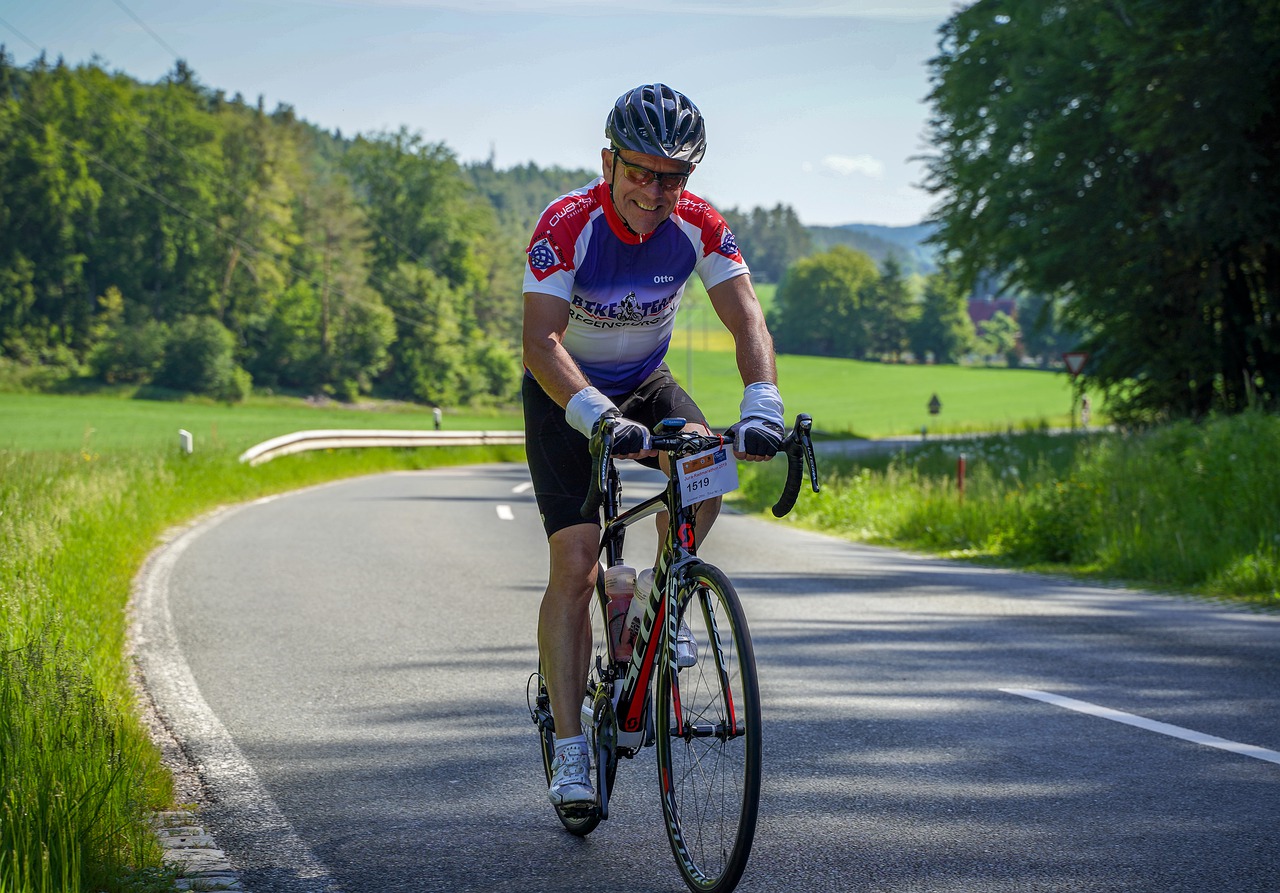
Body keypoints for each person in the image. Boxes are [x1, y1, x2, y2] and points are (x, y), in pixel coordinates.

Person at [521, 83, 786, 809]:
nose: (654, 189)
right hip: (566, 395)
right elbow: (540, 340)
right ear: (609, 161)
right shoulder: (567, 224)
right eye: (639, 171)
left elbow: (748, 320)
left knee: (707, 463)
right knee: (575, 563)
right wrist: (594, 415)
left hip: (647, 382)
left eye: (672, 176)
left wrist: (762, 404)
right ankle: (572, 747)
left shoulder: (698, 223)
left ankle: (655, 591)